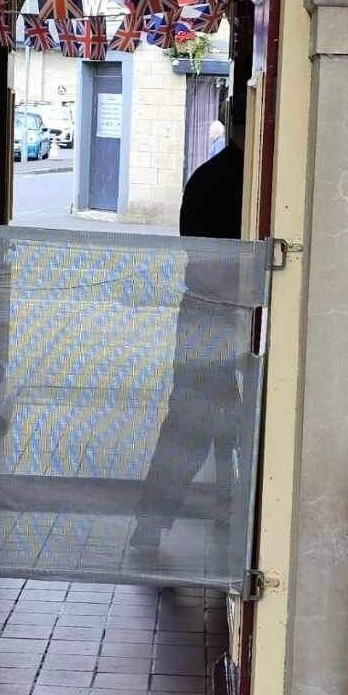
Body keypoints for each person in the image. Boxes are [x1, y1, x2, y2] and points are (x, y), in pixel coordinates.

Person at [131, 116, 245, 548]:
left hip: (200, 310)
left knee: (189, 419)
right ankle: (229, 510)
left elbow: (190, 250)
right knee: (241, 419)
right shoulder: (251, 184)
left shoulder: (205, 178)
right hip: (232, 312)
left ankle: (153, 523)